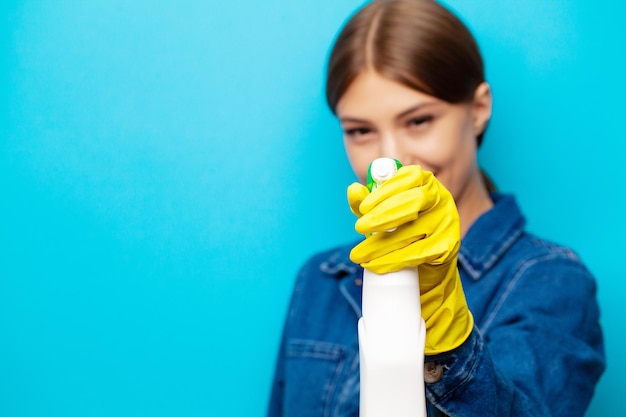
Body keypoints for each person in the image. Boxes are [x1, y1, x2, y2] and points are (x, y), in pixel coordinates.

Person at [267, 0, 605, 416]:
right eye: (360, 130)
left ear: (478, 109)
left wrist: (445, 337)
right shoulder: (320, 281)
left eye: (419, 121)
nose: (388, 161)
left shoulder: (550, 281)